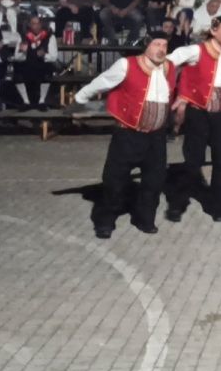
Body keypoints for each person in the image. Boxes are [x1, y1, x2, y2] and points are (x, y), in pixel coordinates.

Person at [73, 32, 176, 238]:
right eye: (156, 44)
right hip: (128, 133)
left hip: (156, 137)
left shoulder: (169, 66)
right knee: (115, 181)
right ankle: (105, 222)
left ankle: (145, 219)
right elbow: (102, 81)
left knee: (154, 181)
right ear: (146, 45)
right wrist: (80, 98)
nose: (161, 49)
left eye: (164, 45)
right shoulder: (126, 65)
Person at [166, 16, 221, 222]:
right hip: (199, 112)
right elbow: (172, 59)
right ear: (214, 31)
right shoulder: (197, 50)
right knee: (193, 161)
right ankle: (178, 203)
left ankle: (217, 205)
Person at [11, 16, 61, 110]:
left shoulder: (49, 36)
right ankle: (26, 102)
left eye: (38, 23)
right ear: (29, 25)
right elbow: (17, 57)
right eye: (33, 24)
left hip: (42, 64)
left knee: (48, 69)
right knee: (17, 70)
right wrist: (23, 52)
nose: (36, 26)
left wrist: (44, 55)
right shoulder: (24, 37)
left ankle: (42, 101)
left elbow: (54, 57)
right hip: (27, 64)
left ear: (41, 24)